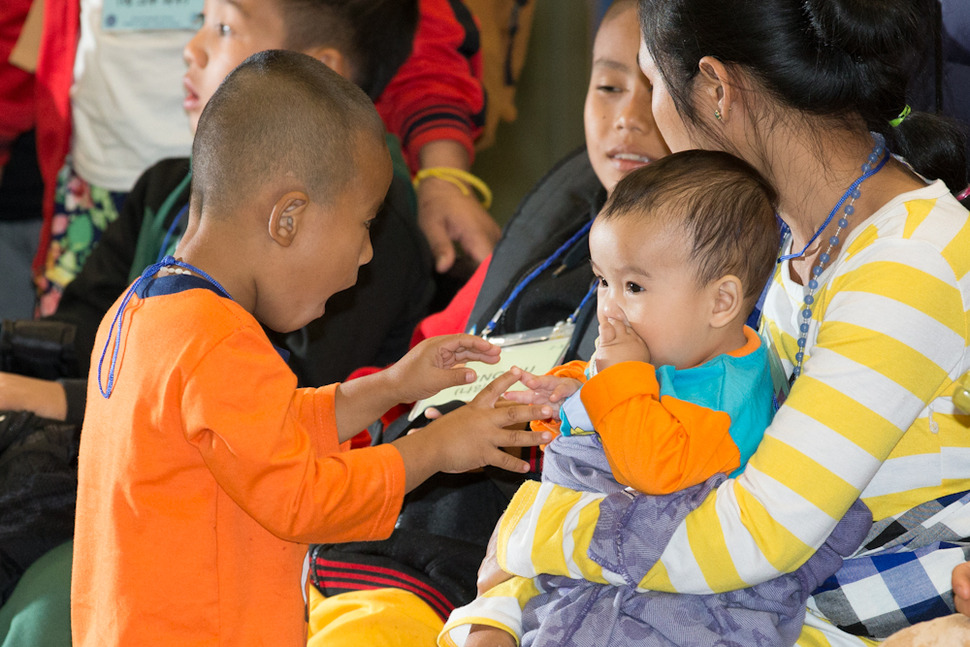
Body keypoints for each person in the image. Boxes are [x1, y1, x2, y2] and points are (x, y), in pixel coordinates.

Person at [474, 0, 970, 644]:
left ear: (714, 89)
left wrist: (529, 535)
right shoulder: (789, 238)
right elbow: (674, 475)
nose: (646, 116)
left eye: (652, 85)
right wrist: (500, 613)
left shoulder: (910, 261)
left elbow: (750, 535)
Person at [70, 49, 553, 647]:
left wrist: (392, 387)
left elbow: (268, 431)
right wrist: (433, 448)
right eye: (363, 225)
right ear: (288, 218)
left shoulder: (145, 310)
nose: (368, 254)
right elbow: (304, 497)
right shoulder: (219, 340)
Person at [302, 2, 670, 643]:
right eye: (607, 86)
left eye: (655, 89)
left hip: (484, 571)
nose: (626, 117)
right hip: (382, 510)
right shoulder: (560, 215)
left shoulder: (705, 272)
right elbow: (439, 346)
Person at [441, 151, 870, 647]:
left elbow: (650, 468)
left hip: (690, 603)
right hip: (611, 565)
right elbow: (632, 399)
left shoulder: (726, 393)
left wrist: (617, 378)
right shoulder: (681, 352)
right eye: (602, 280)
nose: (610, 305)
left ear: (722, 302)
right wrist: (573, 390)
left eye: (634, 286)